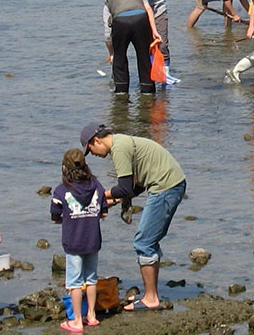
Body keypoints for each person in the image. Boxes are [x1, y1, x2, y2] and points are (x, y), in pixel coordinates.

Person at [81, 124, 187, 312]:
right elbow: (136, 185)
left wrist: (97, 194)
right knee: (148, 241)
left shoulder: (119, 148)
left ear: (96, 140)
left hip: (166, 187)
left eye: (91, 150)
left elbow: (125, 188)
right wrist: (114, 200)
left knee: (143, 242)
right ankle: (151, 294)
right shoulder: (122, 141)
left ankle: (151, 298)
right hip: (170, 183)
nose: (94, 155)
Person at [50, 149, 107, 332]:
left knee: (74, 283)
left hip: (73, 242)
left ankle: (76, 321)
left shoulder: (61, 190)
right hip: (92, 240)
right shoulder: (97, 186)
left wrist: (65, 218)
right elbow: (103, 212)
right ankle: (91, 314)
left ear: (64, 167)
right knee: (91, 279)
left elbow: (54, 216)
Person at [103, 0, 171, 76]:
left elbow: (148, 9)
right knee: (146, 45)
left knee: (161, 43)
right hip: (139, 14)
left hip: (157, 12)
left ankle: (165, 73)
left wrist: (153, 30)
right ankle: (150, 73)